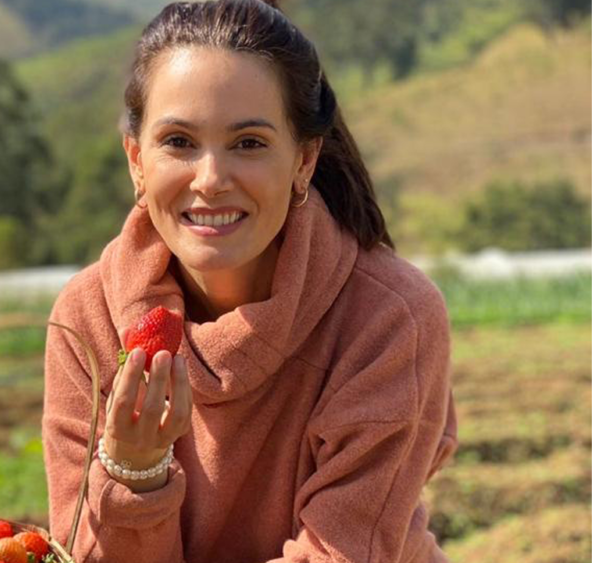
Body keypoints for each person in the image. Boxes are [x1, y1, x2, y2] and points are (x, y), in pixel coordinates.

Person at [41, 1, 459, 561]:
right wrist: (135, 475)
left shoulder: (388, 316)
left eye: (249, 144)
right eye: (180, 142)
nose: (211, 180)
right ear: (137, 161)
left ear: (304, 161)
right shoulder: (86, 316)